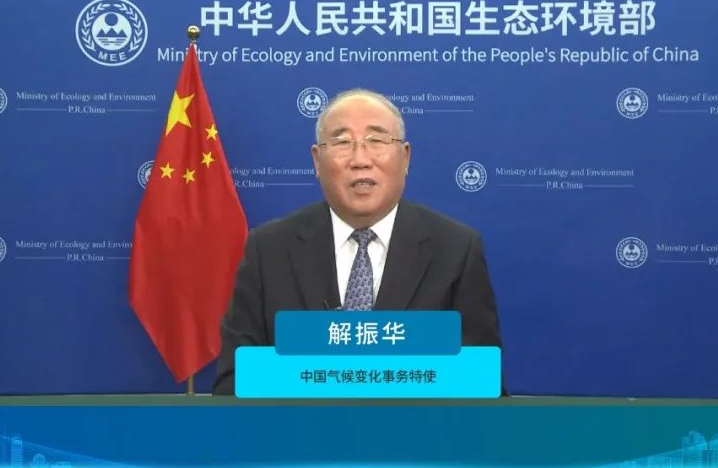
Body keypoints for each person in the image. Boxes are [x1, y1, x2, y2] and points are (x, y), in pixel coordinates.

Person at [212, 89, 503, 395]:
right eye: (342, 142)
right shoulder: (269, 250)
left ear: (405, 157)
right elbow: (235, 384)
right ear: (317, 160)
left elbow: (482, 386)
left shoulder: (455, 250)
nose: (360, 160)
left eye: (376, 141)